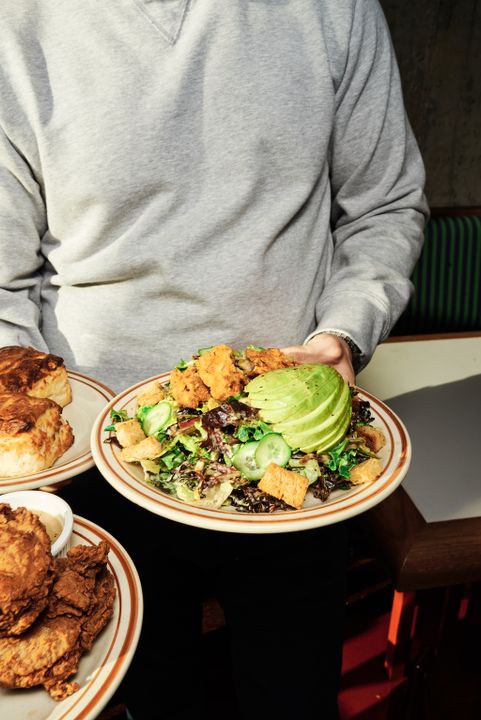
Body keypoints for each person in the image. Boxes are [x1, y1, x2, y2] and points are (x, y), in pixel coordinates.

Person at [0, 1, 428, 718]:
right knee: (156, 697)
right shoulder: (15, 26)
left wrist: (347, 330)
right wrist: (27, 445)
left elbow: (385, 204)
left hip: (294, 454)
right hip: (96, 456)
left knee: (293, 696)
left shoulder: (335, 10)